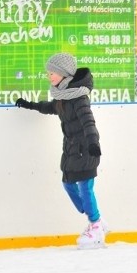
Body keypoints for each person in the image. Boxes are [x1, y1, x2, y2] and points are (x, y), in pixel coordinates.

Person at [14, 53, 107, 249]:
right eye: (48, 73)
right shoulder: (62, 96)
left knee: (85, 187)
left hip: (87, 150)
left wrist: (93, 143)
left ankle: (96, 225)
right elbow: (49, 107)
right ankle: (95, 218)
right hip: (72, 150)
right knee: (68, 184)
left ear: (64, 74)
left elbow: (89, 122)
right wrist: (30, 105)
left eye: (53, 73)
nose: (50, 76)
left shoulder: (79, 98)